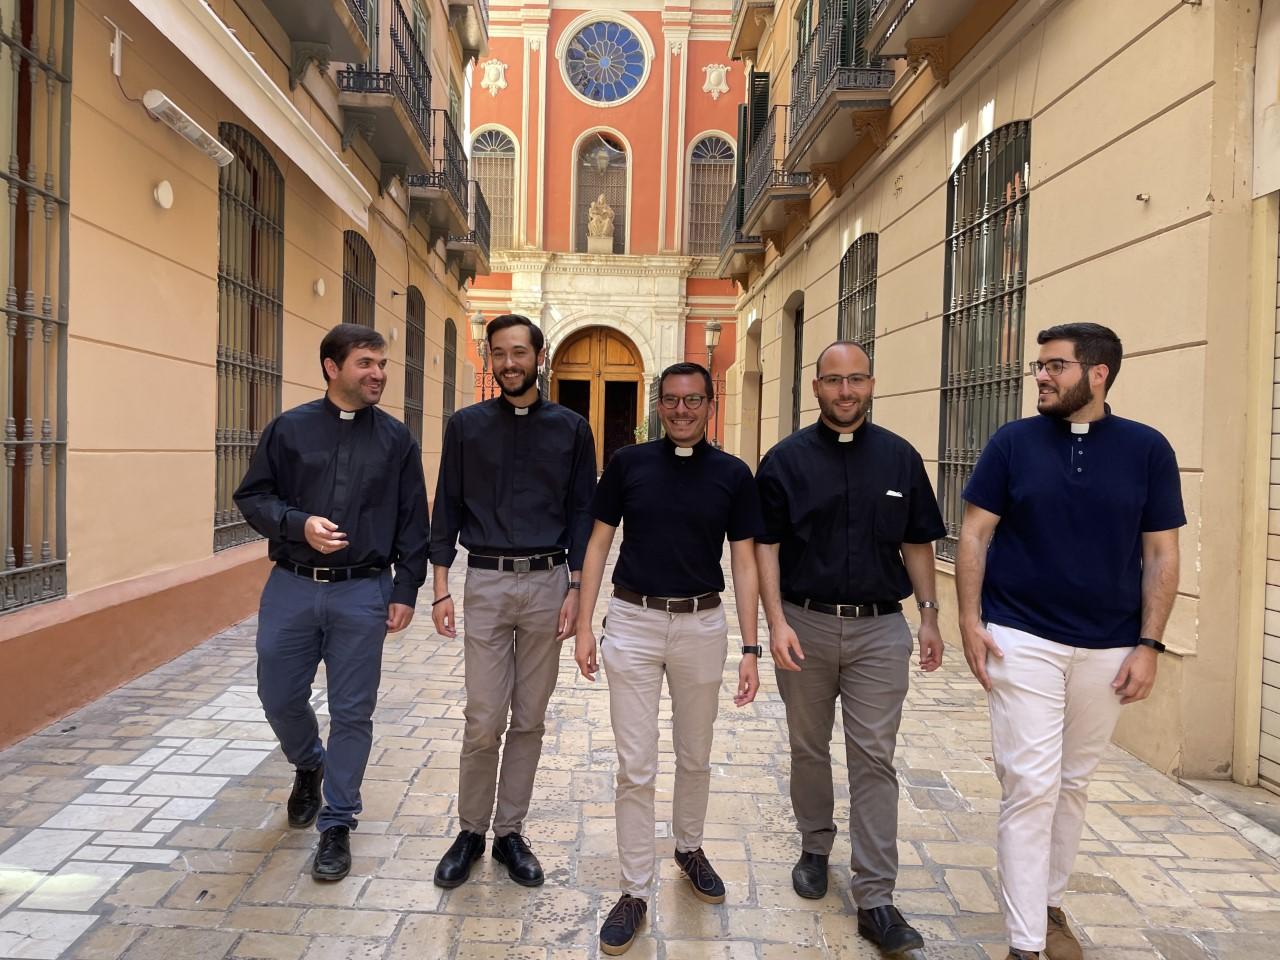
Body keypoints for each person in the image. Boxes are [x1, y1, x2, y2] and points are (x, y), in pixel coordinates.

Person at [955, 323, 1183, 960]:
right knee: (1031, 782)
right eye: (1039, 365)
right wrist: (970, 621)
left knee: (1073, 782)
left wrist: (1150, 644)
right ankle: (1025, 942)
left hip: (1109, 645)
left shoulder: (1147, 450)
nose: (1041, 377)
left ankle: (1047, 902)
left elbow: (1162, 552)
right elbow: (974, 535)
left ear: (1099, 373)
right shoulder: (1012, 443)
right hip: (1020, 636)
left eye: (1055, 366)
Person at [754, 341, 946, 958]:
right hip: (804, 626)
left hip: (880, 630)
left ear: (871, 383)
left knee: (874, 760)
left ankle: (876, 898)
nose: (845, 391)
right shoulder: (783, 461)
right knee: (808, 748)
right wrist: (774, 622)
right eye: (833, 381)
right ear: (815, 388)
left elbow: (919, 543)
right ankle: (815, 845)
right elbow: (767, 549)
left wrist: (931, 618)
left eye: (855, 380)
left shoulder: (900, 459)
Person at [575, 361, 764, 957]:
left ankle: (688, 846)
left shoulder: (734, 475)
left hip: (703, 624)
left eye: (694, 401)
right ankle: (633, 889)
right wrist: (583, 624)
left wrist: (751, 646)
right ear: (659, 404)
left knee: (695, 754)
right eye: (673, 401)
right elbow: (599, 543)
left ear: (710, 404)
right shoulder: (628, 465)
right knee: (635, 764)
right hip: (632, 622)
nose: (682, 411)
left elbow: (745, 560)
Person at [234, 323, 429, 882]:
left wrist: (405, 589)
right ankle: (308, 764)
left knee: (352, 712)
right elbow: (252, 496)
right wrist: (298, 524)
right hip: (292, 584)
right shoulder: (289, 430)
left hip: (363, 592)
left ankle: (338, 823)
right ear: (331, 367)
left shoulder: (397, 440)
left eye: (382, 364)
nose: (379, 375)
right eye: (367, 363)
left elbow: (414, 519)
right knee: (277, 693)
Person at [430, 314, 596, 889]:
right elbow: (446, 503)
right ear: (489, 358)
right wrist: (440, 586)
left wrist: (577, 589)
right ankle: (470, 830)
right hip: (489, 583)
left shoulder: (572, 428)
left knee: (529, 718)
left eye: (518, 352)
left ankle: (510, 833)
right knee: (483, 718)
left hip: (550, 583)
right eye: (498, 353)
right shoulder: (466, 426)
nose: (508, 363)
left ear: (539, 357)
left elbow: (582, 512)